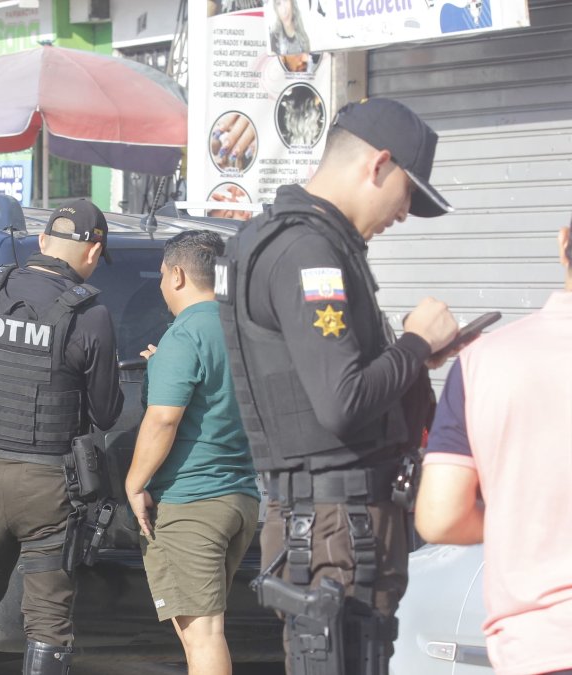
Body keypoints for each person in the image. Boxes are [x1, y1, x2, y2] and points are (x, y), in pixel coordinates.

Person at [217, 97, 459, 674]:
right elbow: (342, 400)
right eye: (408, 195)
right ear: (378, 165)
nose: (403, 214)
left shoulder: (308, 242)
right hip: (337, 527)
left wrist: (412, 361)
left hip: (333, 523)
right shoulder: (309, 252)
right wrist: (415, 344)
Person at [415, 161, 572, 675]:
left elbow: (438, 516)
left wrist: (527, 521)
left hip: (536, 648)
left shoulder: (483, 361)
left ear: (564, 243)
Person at [0, 198, 124, 675]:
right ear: (94, 253)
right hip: (49, 487)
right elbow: (105, 412)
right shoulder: (90, 314)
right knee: (48, 623)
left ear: (41, 241)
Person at [126, 230, 260, 675]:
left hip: (192, 501)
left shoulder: (183, 336)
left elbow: (164, 419)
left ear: (178, 274)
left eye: (163, 276)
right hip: (240, 496)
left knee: (202, 635)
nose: (162, 286)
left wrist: (135, 482)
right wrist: (161, 366)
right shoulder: (243, 331)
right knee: (198, 632)